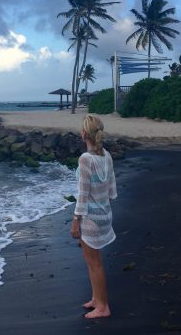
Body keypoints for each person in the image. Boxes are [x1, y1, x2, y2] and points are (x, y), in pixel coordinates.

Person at [70, 114, 117, 318]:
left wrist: (75, 220)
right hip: (105, 214)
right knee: (91, 260)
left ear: (83, 134)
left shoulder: (85, 159)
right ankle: (97, 299)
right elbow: (112, 190)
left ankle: (103, 307)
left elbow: (82, 193)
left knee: (94, 262)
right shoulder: (106, 155)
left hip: (91, 217)